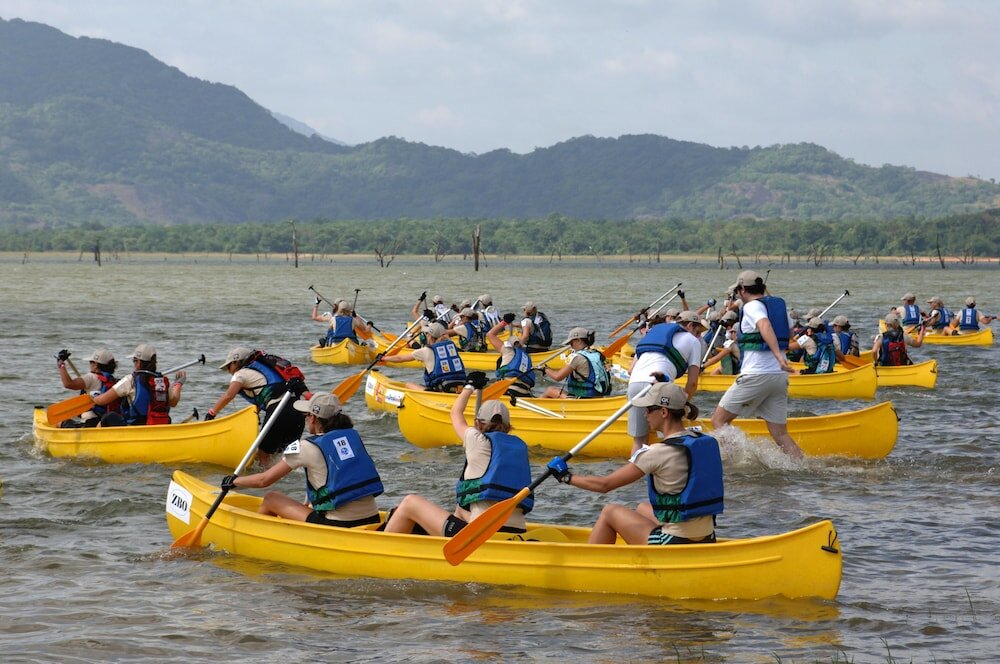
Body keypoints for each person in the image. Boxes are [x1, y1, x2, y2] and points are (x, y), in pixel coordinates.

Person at [546, 383, 722, 545]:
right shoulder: (703, 441)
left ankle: (589, 566)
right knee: (642, 508)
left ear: (663, 412)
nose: (645, 415)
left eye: (648, 410)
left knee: (610, 511)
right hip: (707, 536)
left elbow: (604, 485)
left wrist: (566, 477)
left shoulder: (657, 452)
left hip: (676, 541)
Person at [381, 373, 532, 536]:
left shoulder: (477, 439)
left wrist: (469, 387)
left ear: (477, 424)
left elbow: (456, 414)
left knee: (410, 503)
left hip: (481, 535)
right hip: (516, 530)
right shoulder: (520, 446)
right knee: (460, 508)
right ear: (508, 427)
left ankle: (382, 548)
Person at [222, 393, 383, 527]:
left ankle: (258, 536)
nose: (305, 419)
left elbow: (264, 480)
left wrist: (235, 481)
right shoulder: (352, 437)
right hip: (372, 517)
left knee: (271, 498)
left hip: (340, 524)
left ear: (313, 418)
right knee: (311, 503)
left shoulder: (306, 446)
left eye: (306, 416)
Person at [710, 271, 803, 458]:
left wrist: (778, 356)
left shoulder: (752, 307)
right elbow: (790, 333)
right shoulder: (779, 307)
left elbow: (765, 325)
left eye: (737, 291)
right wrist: (779, 357)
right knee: (780, 434)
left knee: (718, 420)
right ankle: (802, 467)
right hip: (778, 377)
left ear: (743, 289)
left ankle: (737, 460)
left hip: (757, 375)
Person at [207, 347, 310, 466]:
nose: (229, 371)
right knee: (285, 456)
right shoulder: (267, 371)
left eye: (229, 366)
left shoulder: (240, 374)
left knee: (263, 454)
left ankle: (265, 481)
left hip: (278, 411)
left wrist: (212, 413)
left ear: (236, 362)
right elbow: (265, 396)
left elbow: (228, 395)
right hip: (297, 410)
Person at [625, 309, 705, 453]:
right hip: (659, 384)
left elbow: (630, 370)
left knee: (639, 440)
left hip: (634, 384)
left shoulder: (654, 334)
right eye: (698, 332)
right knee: (669, 436)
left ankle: (635, 471)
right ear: (690, 326)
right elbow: (692, 383)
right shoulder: (693, 341)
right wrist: (682, 406)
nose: (699, 336)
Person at [91, 344, 185, 426]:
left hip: (136, 426)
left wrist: (93, 397)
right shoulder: (161, 381)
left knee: (108, 417)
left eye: (134, 361)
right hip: (158, 426)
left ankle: (95, 441)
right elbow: (173, 402)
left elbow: (102, 401)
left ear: (138, 362)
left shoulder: (130, 380)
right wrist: (178, 383)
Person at [380, 322, 467, 392]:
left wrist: (384, 358)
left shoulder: (425, 350)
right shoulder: (451, 346)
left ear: (429, 336)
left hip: (440, 389)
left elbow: (400, 358)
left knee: (409, 385)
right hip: (460, 386)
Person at [55, 348, 121, 427]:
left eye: (91, 362)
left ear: (96, 365)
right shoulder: (114, 381)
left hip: (90, 423)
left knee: (60, 422)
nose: (90, 365)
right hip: (106, 421)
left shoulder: (91, 377)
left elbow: (68, 384)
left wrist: (61, 364)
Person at [538, 327, 611, 399]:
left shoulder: (577, 357)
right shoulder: (597, 354)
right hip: (599, 396)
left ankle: (534, 407)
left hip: (583, 398)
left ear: (579, 340)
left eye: (571, 343)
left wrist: (545, 369)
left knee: (550, 390)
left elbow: (558, 377)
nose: (570, 346)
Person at [486, 316, 536, 397]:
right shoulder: (525, 356)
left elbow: (490, 334)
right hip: (526, 394)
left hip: (510, 391)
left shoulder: (507, 350)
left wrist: (504, 322)